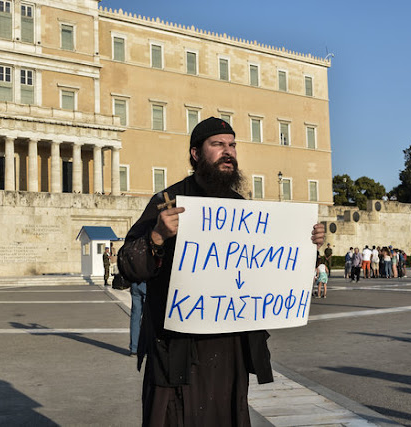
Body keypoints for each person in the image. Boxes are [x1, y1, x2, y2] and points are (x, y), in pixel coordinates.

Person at [117, 117, 326, 426]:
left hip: (229, 351)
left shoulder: (245, 209)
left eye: (232, 145)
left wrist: (307, 245)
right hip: (177, 350)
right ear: (195, 154)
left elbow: (268, 266)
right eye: (217, 145)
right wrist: (157, 236)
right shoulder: (166, 203)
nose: (228, 152)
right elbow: (126, 265)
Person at [129, 281, 147, 356]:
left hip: (135, 283)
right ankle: (146, 347)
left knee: (135, 317)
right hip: (147, 283)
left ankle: (134, 348)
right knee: (148, 318)